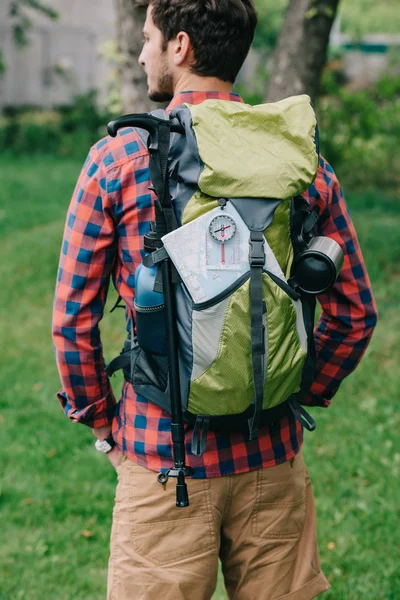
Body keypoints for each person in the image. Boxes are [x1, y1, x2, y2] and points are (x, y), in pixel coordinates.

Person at [52, 1, 378, 598]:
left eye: (149, 38)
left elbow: (73, 321)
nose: (144, 52)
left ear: (180, 47)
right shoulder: (300, 165)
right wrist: (288, 391)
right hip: (272, 459)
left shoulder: (118, 160)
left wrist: (103, 424)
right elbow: (355, 314)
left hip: (162, 460)